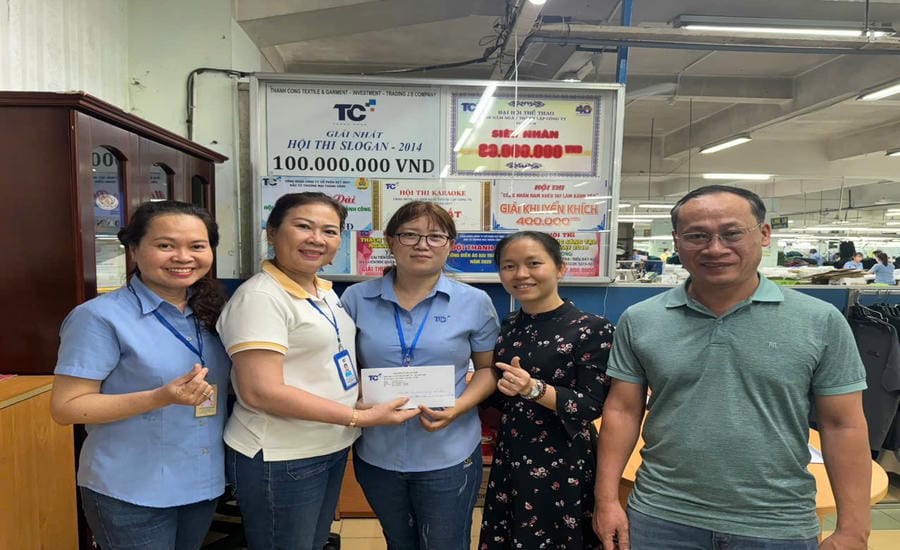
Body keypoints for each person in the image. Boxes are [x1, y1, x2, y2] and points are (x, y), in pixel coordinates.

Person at [593, 185, 871, 550]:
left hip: (776, 522)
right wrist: (607, 500)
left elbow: (844, 425)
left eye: (732, 233)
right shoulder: (641, 319)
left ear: (765, 234)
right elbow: (622, 410)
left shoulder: (820, 321)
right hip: (661, 517)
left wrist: (854, 528)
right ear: (676, 242)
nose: (715, 248)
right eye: (697, 236)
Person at [216, 192, 418, 550]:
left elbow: (323, 364)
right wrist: (357, 417)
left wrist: (359, 397)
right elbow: (260, 391)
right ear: (273, 232)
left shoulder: (322, 291)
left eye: (330, 231)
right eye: (303, 226)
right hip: (282, 455)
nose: (317, 239)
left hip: (325, 445)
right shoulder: (261, 298)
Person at [50, 200, 231, 550]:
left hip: (202, 482)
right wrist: (160, 397)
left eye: (197, 246)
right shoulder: (99, 318)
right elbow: (67, 407)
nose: (183, 257)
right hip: (131, 488)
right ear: (133, 248)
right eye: (165, 245)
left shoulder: (213, 312)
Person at [341, 201, 501, 550]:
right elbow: (340, 370)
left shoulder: (474, 302)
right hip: (378, 452)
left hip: (449, 451)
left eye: (435, 236)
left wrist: (460, 406)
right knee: (398, 541)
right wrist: (355, 402)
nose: (422, 244)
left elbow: (488, 370)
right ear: (390, 241)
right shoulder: (355, 298)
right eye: (409, 234)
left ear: (451, 244)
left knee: (445, 543)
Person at [479, 231, 613, 549]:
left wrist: (533, 388)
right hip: (512, 452)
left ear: (560, 268)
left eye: (534, 263)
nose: (521, 274)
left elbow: (592, 405)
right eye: (509, 266)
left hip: (564, 459)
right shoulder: (509, 325)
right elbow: (497, 392)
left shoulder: (592, 329)